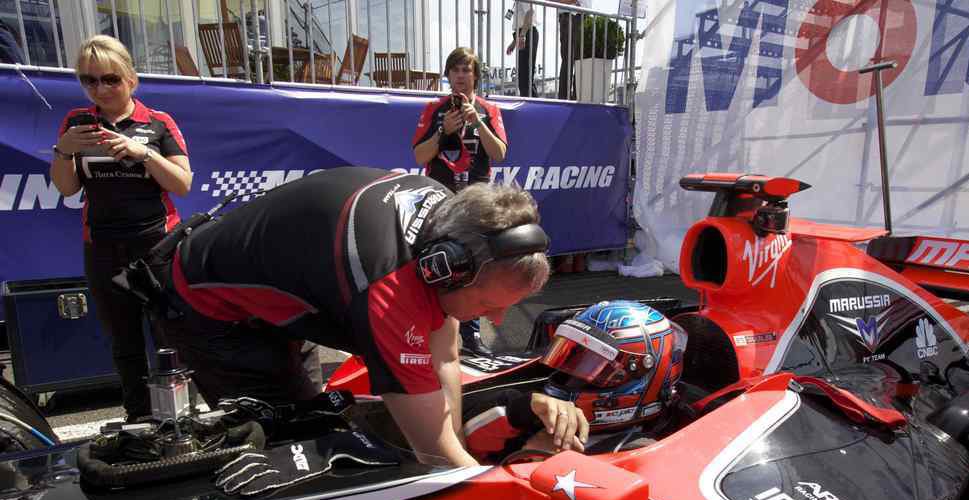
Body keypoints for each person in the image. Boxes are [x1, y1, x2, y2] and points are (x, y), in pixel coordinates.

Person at [149, 167, 582, 467]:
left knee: (318, 416)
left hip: (284, 286)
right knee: (297, 449)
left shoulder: (457, 225)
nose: (501, 321)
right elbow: (433, 452)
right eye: (489, 306)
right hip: (211, 311)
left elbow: (445, 356)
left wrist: (459, 438)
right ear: (442, 268)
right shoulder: (391, 288)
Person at [51, 35, 192, 421]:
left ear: (131, 79)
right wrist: (63, 150)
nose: (100, 88)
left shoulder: (158, 122)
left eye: (110, 79)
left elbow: (182, 183)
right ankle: (139, 419)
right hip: (103, 245)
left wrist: (142, 152)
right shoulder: (77, 123)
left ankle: (179, 418)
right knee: (124, 343)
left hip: (157, 245)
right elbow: (66, 188)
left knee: (169, 337)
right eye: (89, 80)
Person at [463, 300, 687, 463]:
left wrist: (539, 460)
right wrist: (520, 410)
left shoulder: (639, 455)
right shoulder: (542, 413)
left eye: (595, 368)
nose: (572, 377)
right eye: (573, 359)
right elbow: (458, 434)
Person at [413, 47, 509, 356]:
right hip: (440, 197)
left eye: (466, 70)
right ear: (448, 75)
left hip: (476, 200)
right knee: (438, 263)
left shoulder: (489, 109)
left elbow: (500, 154)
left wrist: (477, 123)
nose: (460, 76)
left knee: (476, 264)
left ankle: (471, 333)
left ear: (475, 76)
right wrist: (443, 133)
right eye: (455, 70)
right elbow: (418, 156)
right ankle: (433, 331)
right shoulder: (433, 108)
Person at [555, 0, 588, 100]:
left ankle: (567, 98)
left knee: (572, 60)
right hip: (575, 14)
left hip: (574, 15)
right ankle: (570, 98)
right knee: (573, 60)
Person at [507, 1, 539, 97]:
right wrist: (514, 43)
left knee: (525, 78)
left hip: (527, 33)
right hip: (524, 33)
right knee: (524, 77)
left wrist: (522, 35)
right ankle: (533, 105)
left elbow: (530, 12)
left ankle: (532, 107)